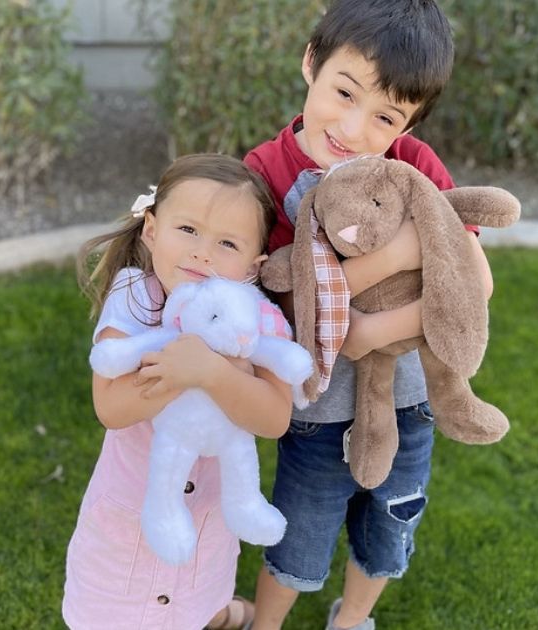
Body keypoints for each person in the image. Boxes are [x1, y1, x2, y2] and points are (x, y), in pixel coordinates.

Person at [242, 1, 494, 629]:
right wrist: (399, 256)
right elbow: (279, 301)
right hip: (314, 413)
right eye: (344, 93)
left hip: (408, 404)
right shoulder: (265, 174)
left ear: (409, 124)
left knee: (388, 527)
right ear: (311, 62)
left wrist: (372, 329)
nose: (353, 129)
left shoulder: (417, 167)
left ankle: (352, 620)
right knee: (297, 535)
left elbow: (476, 284)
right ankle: (265, 624)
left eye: (385, 117)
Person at [63, 154, 295, 630]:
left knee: (192, 606)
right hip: (126, 528)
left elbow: (274, 419)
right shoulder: (133, 296)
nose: (203, 253)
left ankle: (222, 615)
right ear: (151, 230)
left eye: (227, 242)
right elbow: (111, 406)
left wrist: (211, 372)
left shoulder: (254, 318)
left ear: (255, 265)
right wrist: (180, 369)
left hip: (205, 523)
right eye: (188, 230)